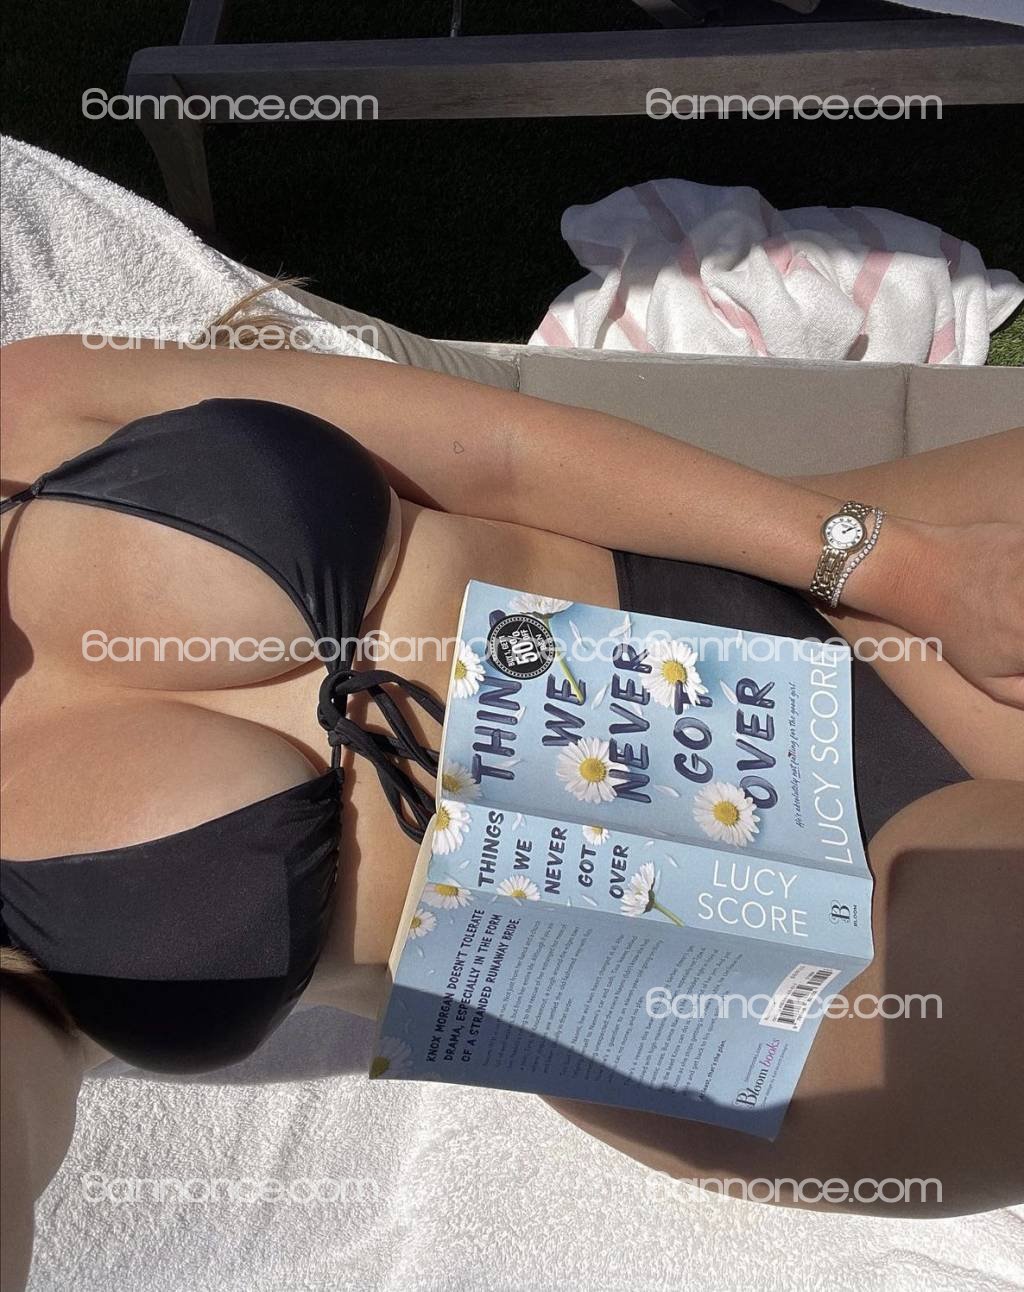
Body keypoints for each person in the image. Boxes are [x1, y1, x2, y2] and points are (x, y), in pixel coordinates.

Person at [1, 318, 1022, 1288]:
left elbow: (506, 457)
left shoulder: (30, 403)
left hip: (794, 614)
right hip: (728, 992)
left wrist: (901, 566)